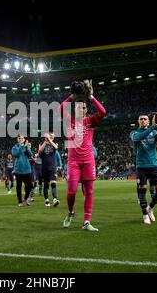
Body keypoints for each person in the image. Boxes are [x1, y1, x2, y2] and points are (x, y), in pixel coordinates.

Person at [60, 80, 106, 231]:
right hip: (73, 161)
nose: (82, 109)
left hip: (88, 160)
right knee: (72, 190)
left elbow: (103, 112)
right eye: (79, 107)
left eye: (84, 107)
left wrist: (91, 96)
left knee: (89, 191)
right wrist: (72, 96)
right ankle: (70, 212)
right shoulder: (69, 120)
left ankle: (87, 222)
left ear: (86, 110)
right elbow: (60, 108)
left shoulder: (90, 121)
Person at [130, 113, 157, 225]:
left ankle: (150, 208)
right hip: (141, 166)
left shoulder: (154, 132)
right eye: (141, 119)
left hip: (154, 165)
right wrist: (152, 127)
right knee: (142, 191)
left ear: (148, 121)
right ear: (138, 121)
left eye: (145, 119)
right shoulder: (134, 133)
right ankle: (145, 215)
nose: (143, 120)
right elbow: (138, 138)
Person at [11, 134, 34, 207]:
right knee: (19, 186)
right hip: (18, 170)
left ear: (24, 139)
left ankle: (26, 197)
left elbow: (30, 155)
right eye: (19, 138)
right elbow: (16, 155)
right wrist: (22, 146)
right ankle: (20, 201)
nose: (21, 139)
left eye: (22, 138)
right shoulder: (14, 148)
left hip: (27, 169)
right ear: (17, 140)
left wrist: (27, 148)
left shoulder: (26, 147)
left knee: (30, 185)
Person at [38, 132, 60, 207]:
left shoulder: (54, 143)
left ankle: (55, 199)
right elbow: (40, 151)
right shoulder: (41, 143)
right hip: (44, 167)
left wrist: (50, 141)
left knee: (53, 183)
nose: (52, 138)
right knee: (46, 184)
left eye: (53, 137)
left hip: (52, 167)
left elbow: (56, 148)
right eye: (50, 136)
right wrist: (45, 141)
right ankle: (46, 200)